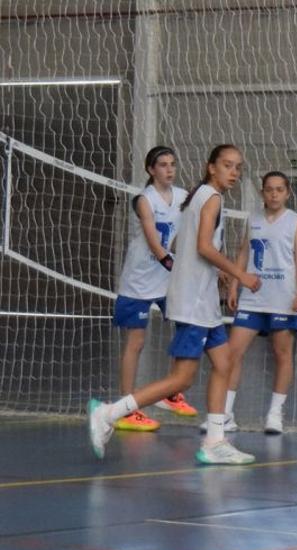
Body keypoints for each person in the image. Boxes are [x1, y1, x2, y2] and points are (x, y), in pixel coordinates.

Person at [88, 144, 262, 465]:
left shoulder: (195, 195)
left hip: (202, 299)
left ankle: (214, 441)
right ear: (212, 167)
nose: (234, 172)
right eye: (227, 165)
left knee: (223, 365)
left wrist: (218, 275)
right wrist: (240, 274)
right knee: (182, 379)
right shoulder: (210, 197)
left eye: (238, 166)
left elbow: (188, 245)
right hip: (194, 302)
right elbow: (204, 247)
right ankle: (109, 413)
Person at [111, 146, 197, 432]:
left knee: (185, 326)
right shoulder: (143, 200)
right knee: (136, 343)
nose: (169, 169)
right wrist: (177, 266)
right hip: (139, 280)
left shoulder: (184, 197)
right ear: (151, 170)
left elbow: (187, 233)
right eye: (163, 164)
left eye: (173, 164)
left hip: (167, 280)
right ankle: (127, 407)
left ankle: (171, 392)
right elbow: (154, 243)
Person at [218, 171, 297, 435]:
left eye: (279, 189)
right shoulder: (254, 219)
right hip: (253, 297)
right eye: (269, 189)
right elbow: (244, 253)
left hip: (283, 299)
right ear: (262, 193)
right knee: (232, 353)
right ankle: (225, 414)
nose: (274, 194)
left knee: (282, 355)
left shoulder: (295, 222)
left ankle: (274, 413)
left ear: (287, 193)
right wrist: (234, 284)